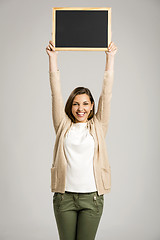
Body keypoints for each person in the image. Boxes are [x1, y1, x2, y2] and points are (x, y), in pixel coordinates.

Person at [46, 40, 117, 240]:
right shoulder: (62, 126)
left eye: (85, 103)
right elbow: (56, 93)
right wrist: (53, 59)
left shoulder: (98, 126)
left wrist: (110, 58)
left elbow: (107, 94)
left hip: (91, 198)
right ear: (70, 106)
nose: (80, 108)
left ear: (92, 106)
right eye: (76, 104)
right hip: (64, 198)